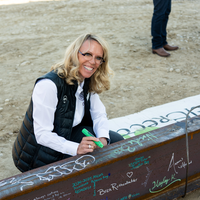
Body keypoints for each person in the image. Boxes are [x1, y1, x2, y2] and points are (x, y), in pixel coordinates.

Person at [12, 33, 124, 172]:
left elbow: (98, 113)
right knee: (87, 161)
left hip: (69, 131)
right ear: (75, 54)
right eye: (87, 54)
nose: (93, 62)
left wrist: (103, 139)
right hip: (40, 152)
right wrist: (76, 148)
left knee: (117, 142)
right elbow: (42, 134)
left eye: (98, 58)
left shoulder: (87, 78)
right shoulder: (49, 85)